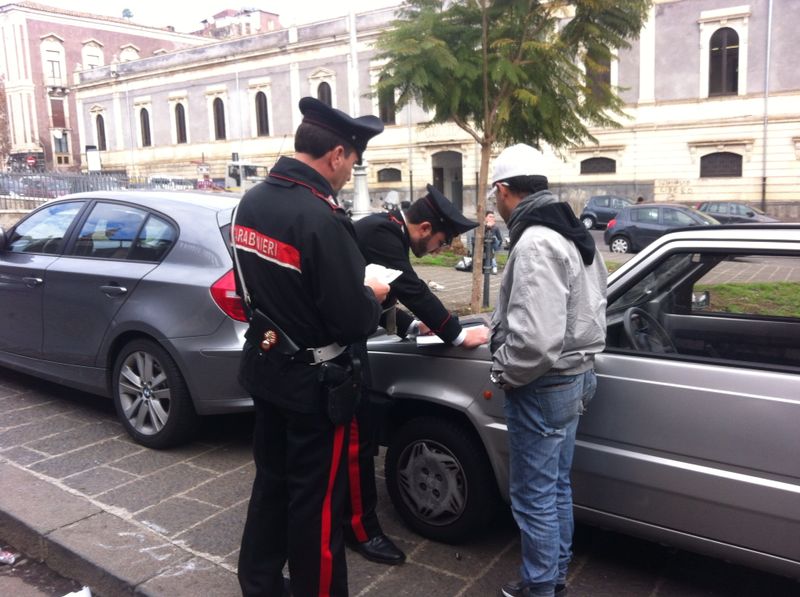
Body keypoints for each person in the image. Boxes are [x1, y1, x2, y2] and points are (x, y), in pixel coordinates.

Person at [234, 96, 389, 597]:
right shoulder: (321, 218)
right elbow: (351, 321)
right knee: (316, 505)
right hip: (314, 385)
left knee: (271, 484)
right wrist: (373, 295)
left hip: (267, 366)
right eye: (353, 161)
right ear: (337, 154)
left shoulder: (252, 201)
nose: (349, 173)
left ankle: (259, 584)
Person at [345, 186, 490, 566]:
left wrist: (413, 327)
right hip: (339, 348)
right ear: (425, 228)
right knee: (357, 444)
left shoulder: (384, 229)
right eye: (441, 241)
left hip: (344, 341)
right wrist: (457, 335)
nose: (441, 249)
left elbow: (381, 297)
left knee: (352, 441)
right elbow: (411, 288)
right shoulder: (383, 232)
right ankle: (361, 529)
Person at [487, 144, 607, 597]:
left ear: (503, 190)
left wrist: (502, 371)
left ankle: (540, 588)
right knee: (555, 488)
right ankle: (551, 580)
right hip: (575, 374)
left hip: (544, 382)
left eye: (493, 195)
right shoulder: (569, 230)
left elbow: (535, 342)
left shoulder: (536, 240)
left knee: (533, 497)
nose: (495, 203)